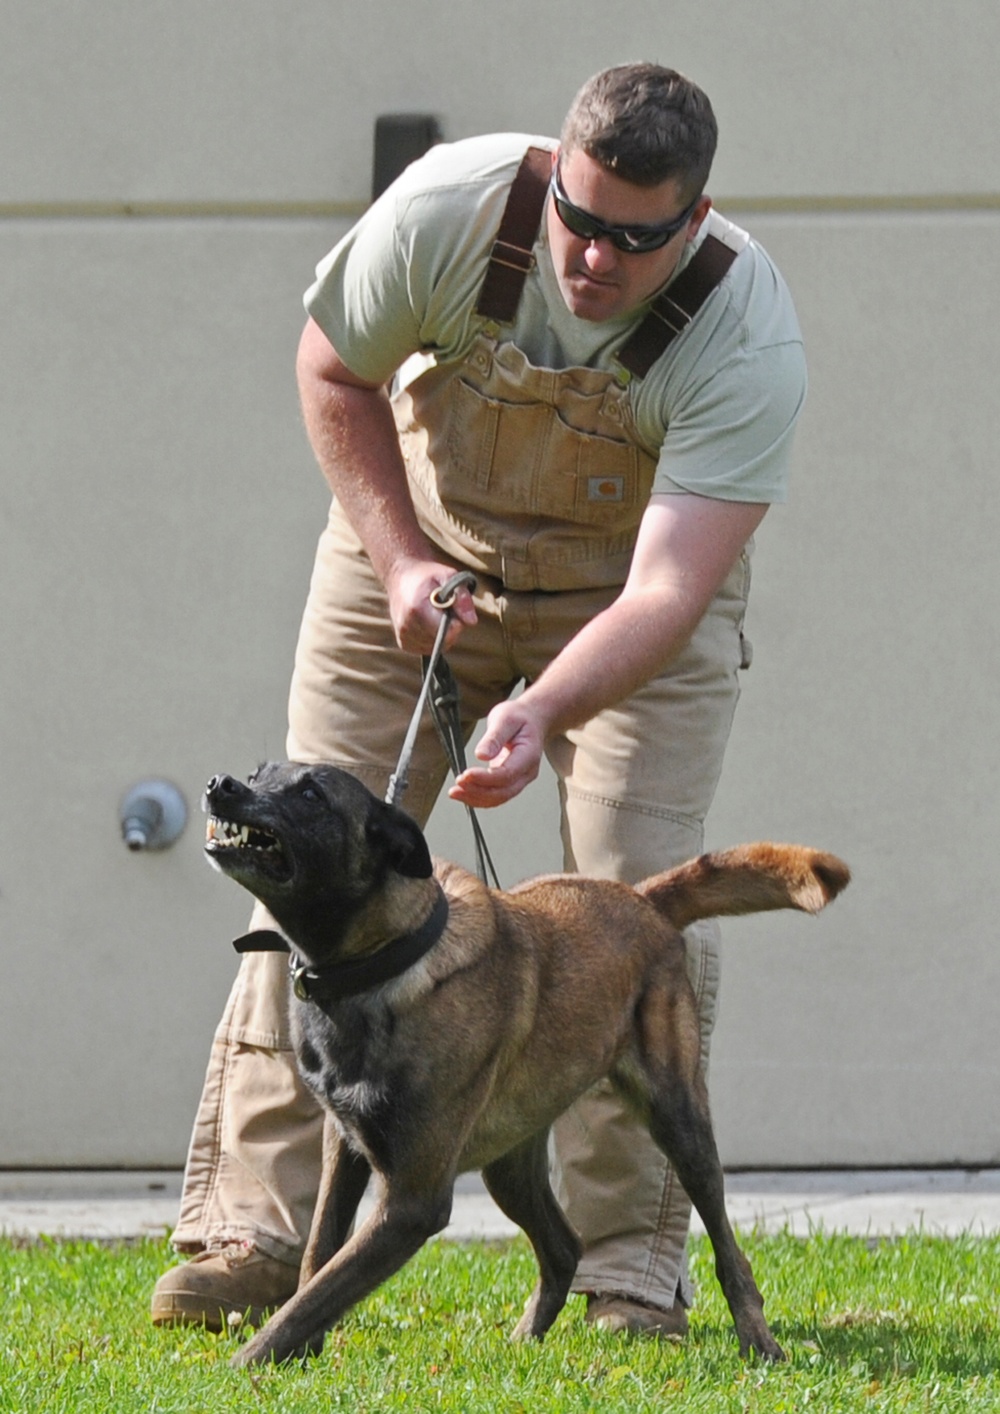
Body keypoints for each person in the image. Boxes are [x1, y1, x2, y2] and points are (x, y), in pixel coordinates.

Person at [152, 61, 806, 1338]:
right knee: (292, 854)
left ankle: (625, 1267)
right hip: (413, 546)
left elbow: (668, 593)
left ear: (695, 214)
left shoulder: (746, 334)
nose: (594, 259)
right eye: (579, 216)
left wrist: (539, 708)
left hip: (622, 606)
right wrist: (401, 562)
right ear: (551, 174)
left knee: (637, 889)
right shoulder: (447, 210)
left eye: (636, 236)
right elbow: (333, 372)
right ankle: (254, 1229)